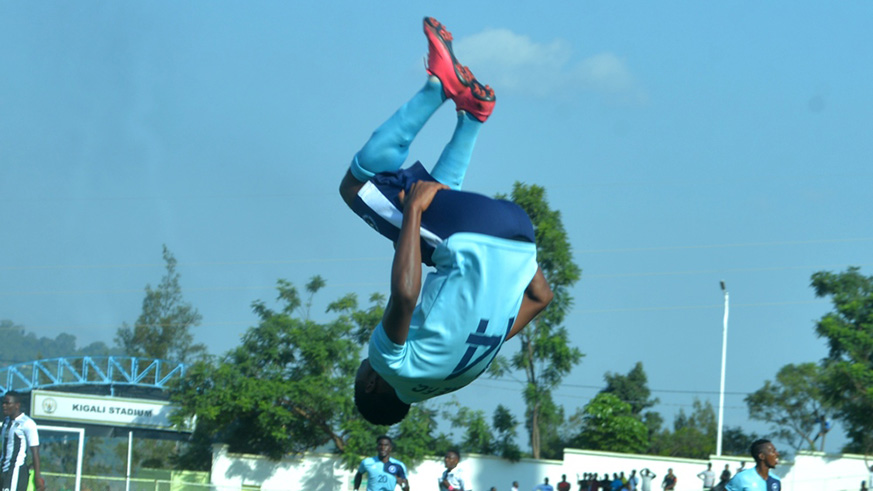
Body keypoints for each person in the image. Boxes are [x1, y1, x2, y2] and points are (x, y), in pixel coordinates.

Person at [343, 16, 553, 426]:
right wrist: (413, 211)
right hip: (475, 229)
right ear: (369, 385)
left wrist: (514, 258)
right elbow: (404, 297)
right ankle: (438, 86)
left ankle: (472, 116)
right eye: (360, 374)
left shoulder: (458, 377)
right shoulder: (389, 367)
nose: (362, 368)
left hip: (521, 236)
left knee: (429, 244)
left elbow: (541, 297)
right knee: (356, 188)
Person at [0, 392, 44, 491]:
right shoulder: (6, 422)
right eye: (3, 403)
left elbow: (35, 452)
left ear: (17, 405)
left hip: (15, 471)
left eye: (7, 403)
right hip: (3, 470)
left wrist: (37, 477)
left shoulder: (27, 423)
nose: (4, 406)